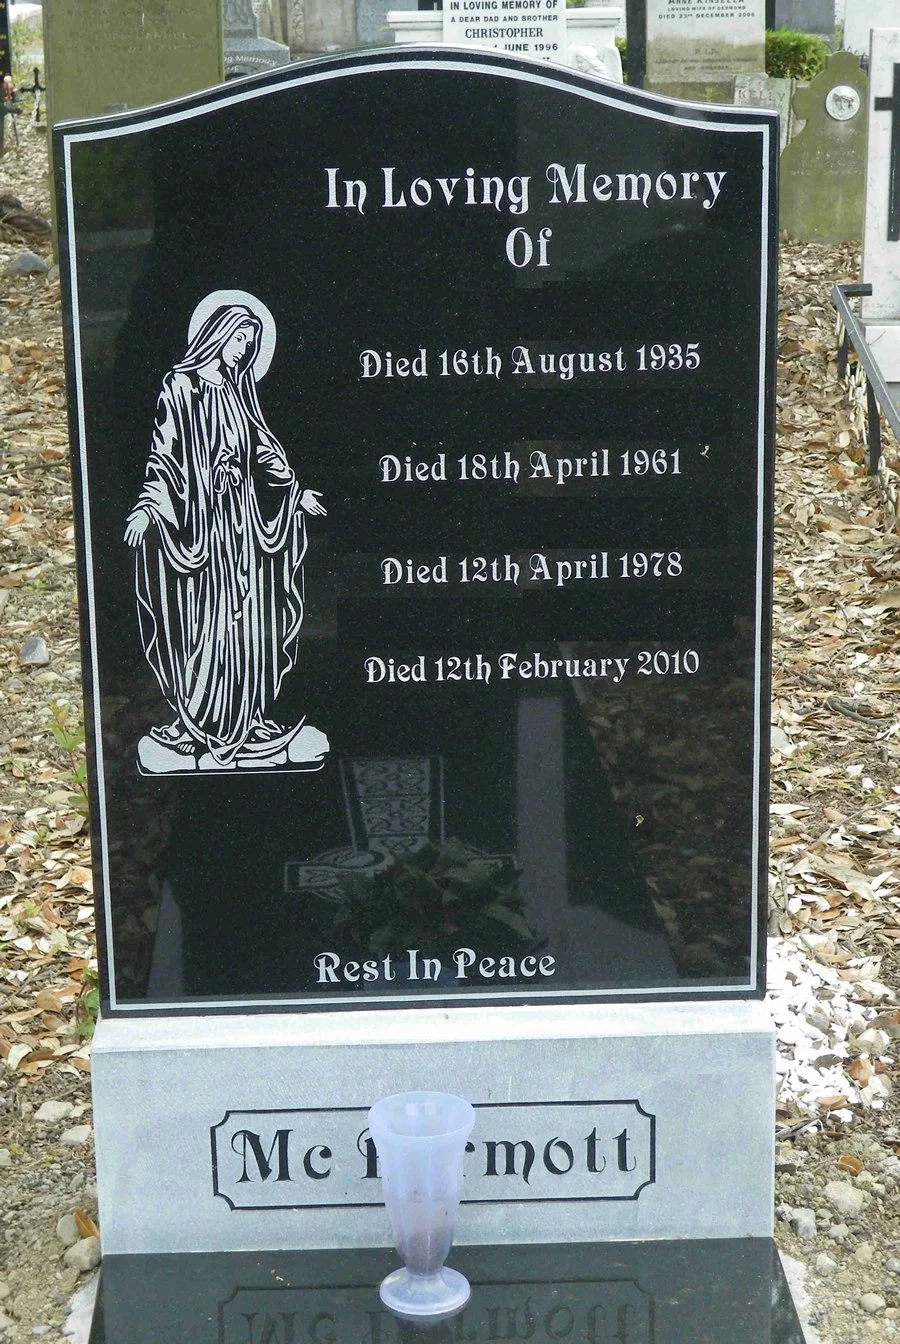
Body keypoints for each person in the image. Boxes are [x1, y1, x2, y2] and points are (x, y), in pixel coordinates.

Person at [124, 300, 327, 773]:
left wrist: (293, 493)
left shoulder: (238, 393)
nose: (245, 351)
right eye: (240, 340)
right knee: (209, 620)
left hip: (242, 520)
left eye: (252, 344)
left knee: (247, 614)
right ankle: (200, 719)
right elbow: (163, 455)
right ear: (219, 334)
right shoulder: (181, 386)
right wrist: (148, 507)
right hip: (202, 522)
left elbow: (261, 450)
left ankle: (247, 714)